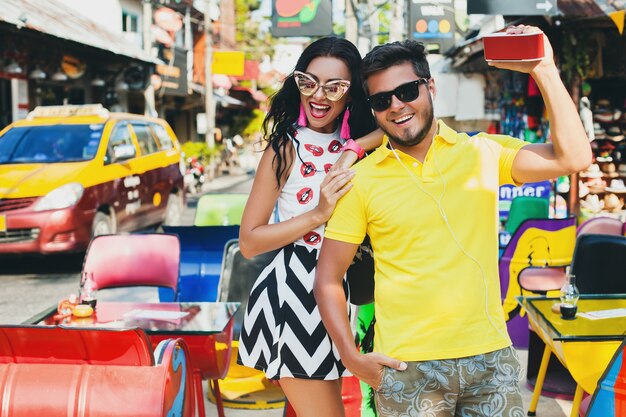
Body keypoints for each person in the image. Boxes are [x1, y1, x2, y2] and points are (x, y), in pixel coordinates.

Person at [314, 25, 591, 416]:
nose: (396, 105)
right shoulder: (362, 179)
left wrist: (544, 69)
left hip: (490, 360)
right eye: (381, 100)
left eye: (407, 91)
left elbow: (575, 157)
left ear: (430, 87)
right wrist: (351, 357)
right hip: (407, 368)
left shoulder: (482, 152)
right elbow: (327, 278)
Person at [237, 37, 382, 417]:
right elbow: (250, 242)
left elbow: (404, 128)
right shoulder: (286, 147)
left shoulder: (359, 146)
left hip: (351, 292)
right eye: (309, 82)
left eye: (334, 86)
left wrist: (354, 148)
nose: (319, 96)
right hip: (298, 295)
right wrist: (317, 214)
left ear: (352, 95)